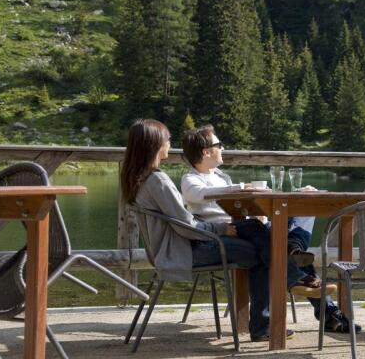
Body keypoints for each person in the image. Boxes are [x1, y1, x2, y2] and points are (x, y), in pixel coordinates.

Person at [120, 119, 289, 342]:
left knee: (256, 229)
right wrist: (220, 229)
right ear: (155, 144)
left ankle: (288, 275)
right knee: (262, 253)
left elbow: (183, 222)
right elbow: (187, 226)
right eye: (167, 140)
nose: (170, 145)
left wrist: (222, 228)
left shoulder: (138, 179)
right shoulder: (158, 181)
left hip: (174, 248)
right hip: (185, 250)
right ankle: (266, 318)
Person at [180, 124, 361, 333]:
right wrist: (242, 189)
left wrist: (267, 208)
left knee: (303, 210)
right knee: (277, 246)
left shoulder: (221, 176)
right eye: (219, 145)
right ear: (206, 151)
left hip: (251, 226)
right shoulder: (190, 179)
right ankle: (323, 307)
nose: (223, 148)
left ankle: (293, 248)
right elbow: (197, 194)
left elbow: (238, 203)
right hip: (232, 230)